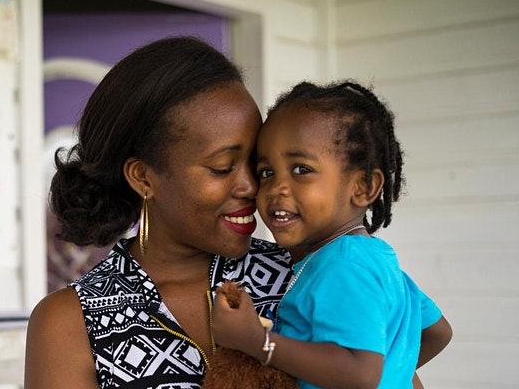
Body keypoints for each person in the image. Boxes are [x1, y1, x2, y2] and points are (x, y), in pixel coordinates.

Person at [25, 36, 294, 388]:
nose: (250, 185)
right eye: (222, 167)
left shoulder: (300, 276)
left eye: (255, 162)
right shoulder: (70, 321)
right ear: (143, 177)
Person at [211, 80, 453, 388]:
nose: (277, 188)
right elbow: (437, 331)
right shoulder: (374, 261)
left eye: (301, 169)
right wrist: (395, 372)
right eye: (267, 172)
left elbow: (358, 374)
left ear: (363, 187)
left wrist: (256, 341)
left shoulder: (344, 265)